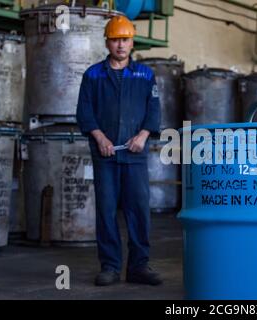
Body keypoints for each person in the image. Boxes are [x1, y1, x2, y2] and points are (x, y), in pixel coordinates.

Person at [76, 15, 162, 286]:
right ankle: (110, 266)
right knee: (106, 210)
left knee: (138, 211)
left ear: (132, 41)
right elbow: (84, 111)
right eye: (115, 40)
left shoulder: (146, 75)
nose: (120, 45)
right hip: (106, 156)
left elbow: (154, 109)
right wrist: (100, 137)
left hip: (135, 155)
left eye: (125, 39)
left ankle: (139, 266)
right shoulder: (93, 75)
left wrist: (144, 135)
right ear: (107, 42)